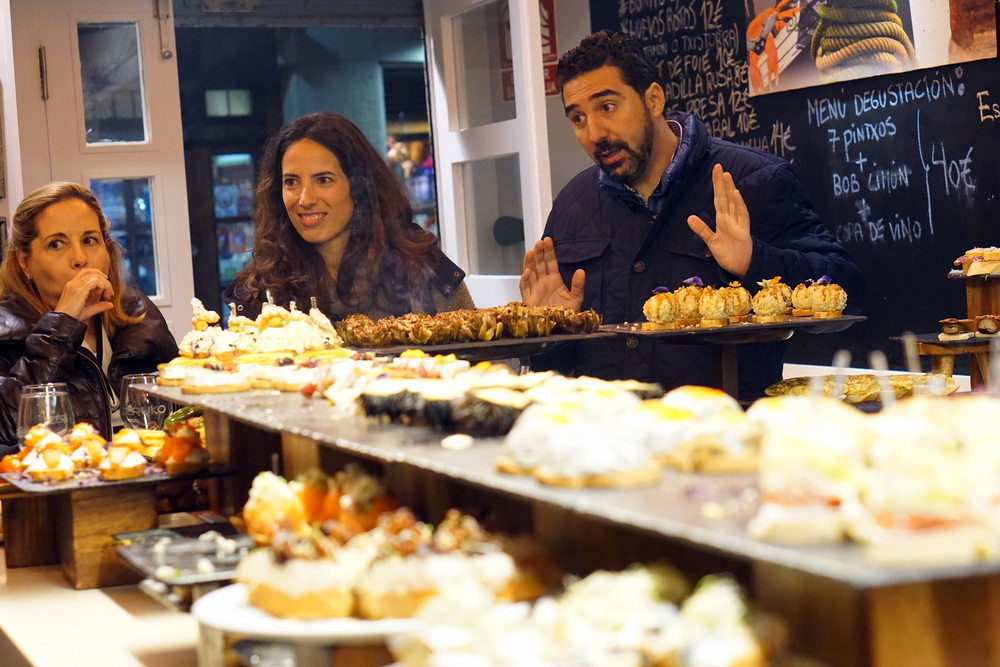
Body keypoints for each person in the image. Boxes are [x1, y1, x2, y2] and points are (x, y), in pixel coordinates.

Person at [520, 31, 864, 397]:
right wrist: (552, 329)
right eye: (577, 118)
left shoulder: (754, 179)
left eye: (607, 107)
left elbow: (850, 293)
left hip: (723, 438)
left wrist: (756, 261)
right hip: (612, 439)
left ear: (653, 100)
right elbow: (552, 370)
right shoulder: (574, 201)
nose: (595, 133)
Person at [225, 113, 473, 320]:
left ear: (359, 186)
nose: (305, 199)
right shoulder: (260, 290)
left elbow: (479, 360)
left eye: (323, 180)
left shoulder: (422, 264)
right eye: (291, 182)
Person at [0, 182, 178, 447]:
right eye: (56, 244)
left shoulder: (138, 313)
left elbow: (183, 410)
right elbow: (9, 429)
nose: (80, 258)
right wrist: (61, 327)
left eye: (89, 240)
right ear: (25, 262)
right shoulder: (5, 331)